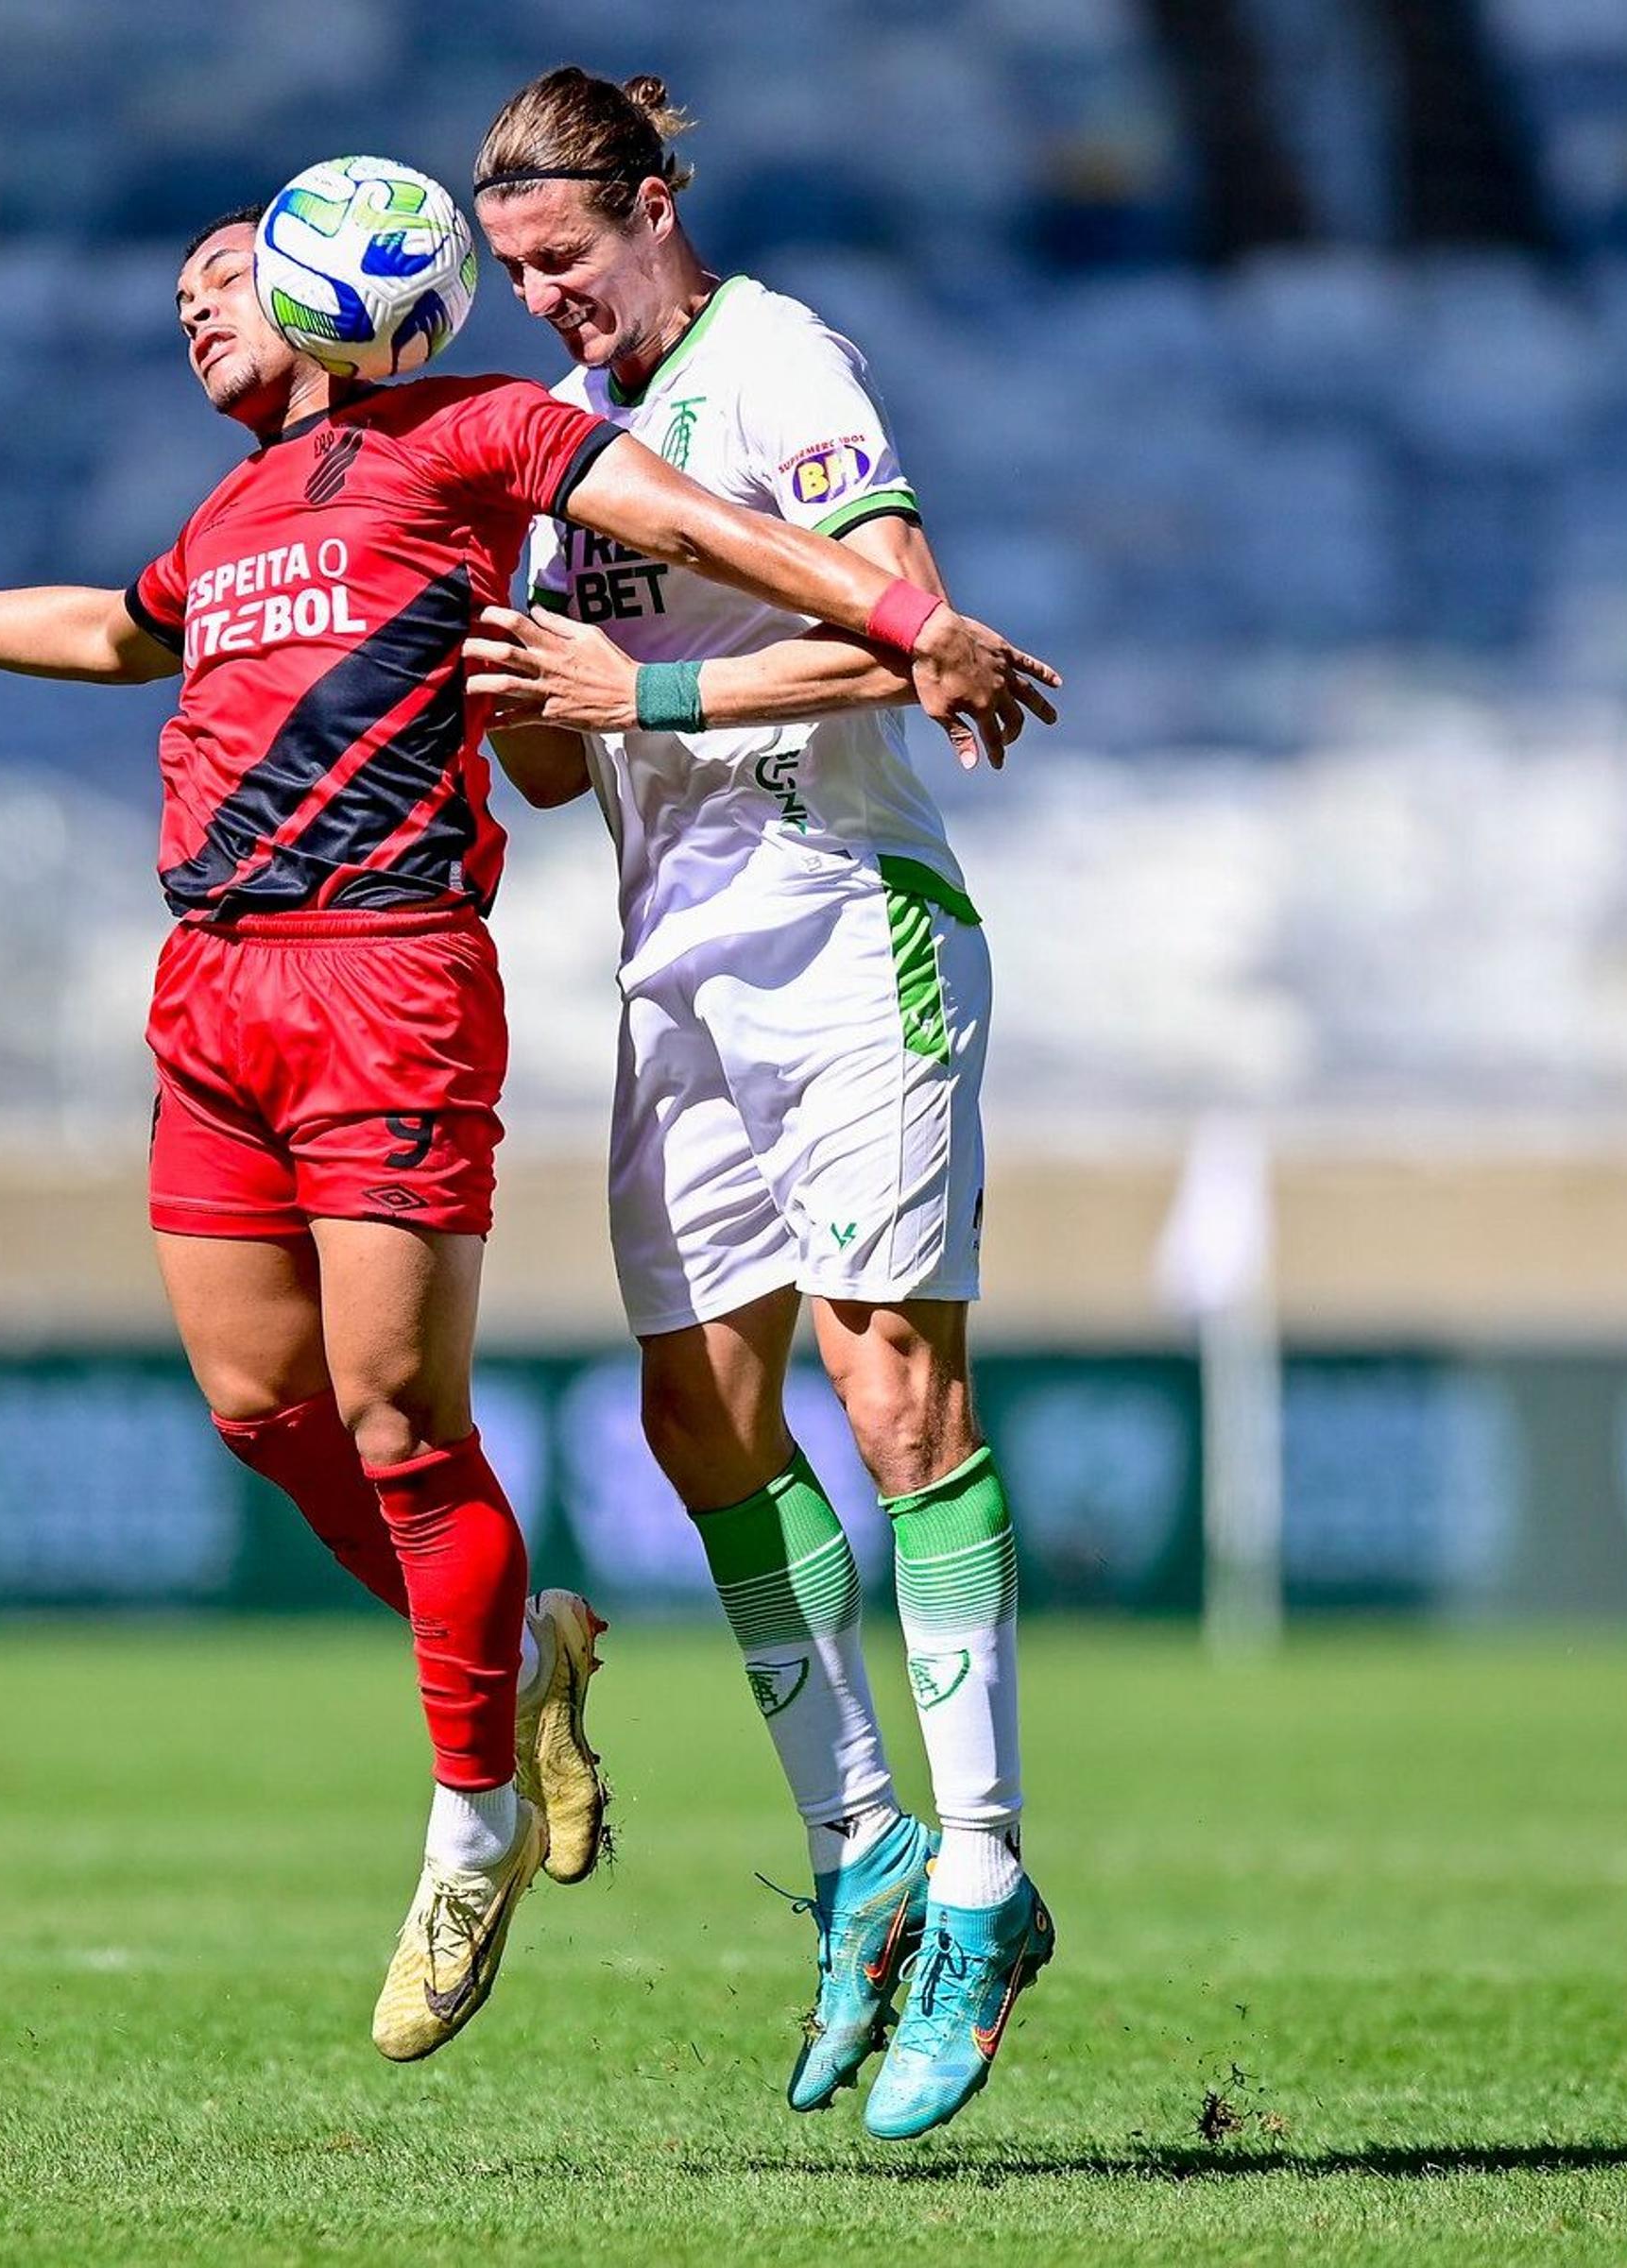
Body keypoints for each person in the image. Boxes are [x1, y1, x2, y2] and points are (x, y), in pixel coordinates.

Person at [0, 191, 1058, 2060]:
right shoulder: (235, 512)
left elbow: (688, 523)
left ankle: (476, 1825)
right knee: (262, 1409)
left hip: (387, 974)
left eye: (217, 278)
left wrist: (916, 620)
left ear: (330, 290)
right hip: (211, 983)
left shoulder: (479, 433)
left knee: (397, 1416)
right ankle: (521, 1672)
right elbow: (113, 632)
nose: (188, 309)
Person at [464, 68, 1055, 2140]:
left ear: (647, 207)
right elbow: (558, 768)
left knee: (890, 1388)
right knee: (696, 1409)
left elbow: (900, 622)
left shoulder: (771, 357)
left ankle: (983, 1877)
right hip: (674, 960)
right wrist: (490, 659)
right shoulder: (565, 464)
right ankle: (866, 1841)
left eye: (564, 263)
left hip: (840, 921)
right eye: (515, 282)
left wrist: (646, 689)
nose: (548, 307)